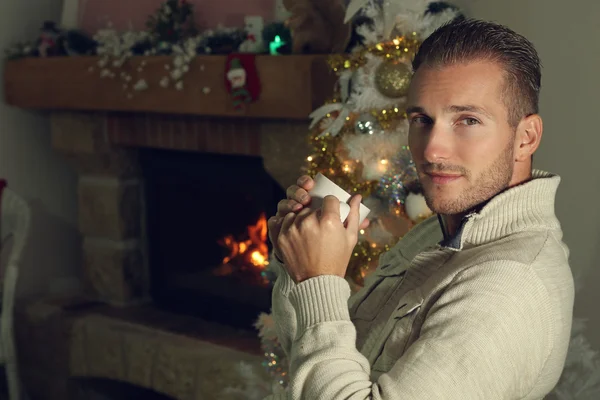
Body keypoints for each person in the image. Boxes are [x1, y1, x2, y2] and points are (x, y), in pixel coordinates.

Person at [266, 18, 574, 400]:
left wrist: (319, 280)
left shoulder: (508, 286)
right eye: (421, 120)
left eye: (468, 120)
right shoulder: (441, 230)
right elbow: (314, 358)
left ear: (526, 138)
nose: (431, 150)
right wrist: (297, 265)